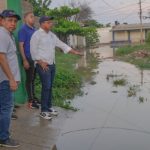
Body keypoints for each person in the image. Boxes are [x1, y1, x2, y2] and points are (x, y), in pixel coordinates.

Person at [30, 16, 83, 120]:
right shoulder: (36, 35)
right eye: (48, 22)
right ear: (42, 24)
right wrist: (40, 62)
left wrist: (75, 52)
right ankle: (43, 111)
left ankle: (49, 107)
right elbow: (33, 51)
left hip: (52, 64)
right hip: (43, 66)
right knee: (46, 87)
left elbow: (62, 45)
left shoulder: (51, 35)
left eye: (51, 22)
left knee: (49, 87)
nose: (51, 24)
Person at [0, 10, 21, 147]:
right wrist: (12, 79)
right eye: (9, 20)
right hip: (5, 80)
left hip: (6, 79)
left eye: (15, 21)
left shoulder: (8, 35)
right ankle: (3, 138)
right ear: (1, 20)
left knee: (4, 108)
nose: (13, 23)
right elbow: (1, 58)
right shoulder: (2, 34)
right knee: (6, 109)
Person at [18, 12, 40, 109]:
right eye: (31, 17)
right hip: (28, 58)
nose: (33, 18)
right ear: (25, 18)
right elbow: (21, 46)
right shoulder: (23, 30)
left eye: (33, 17)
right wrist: (24, 60)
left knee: (33, 79)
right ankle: (30, 100)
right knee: (29, 79)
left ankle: (33, 97)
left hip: (35, 58)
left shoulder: (34, 30)